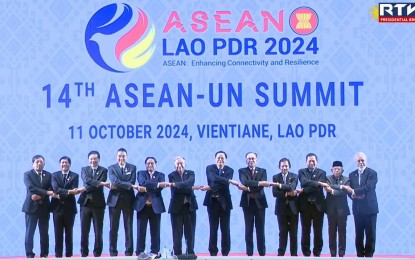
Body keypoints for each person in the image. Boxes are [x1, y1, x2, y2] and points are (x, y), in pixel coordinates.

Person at [202, 151, 238, 256]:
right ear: (215, 159)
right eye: (218, 158)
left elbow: (223, 186)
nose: (220, 160)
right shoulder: (210, 168)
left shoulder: (230, 170)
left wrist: (211, 187)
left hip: (225, 202)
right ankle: (213, 252)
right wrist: (229, 181)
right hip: (212, 202)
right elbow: (213, 178)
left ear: (225, 160)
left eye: (222, 158)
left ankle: (225, 252)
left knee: (225, 228)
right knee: (213, 228)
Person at [343, 152, 378, 257]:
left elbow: (369, 187)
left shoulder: (372, 173)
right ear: (356, 162)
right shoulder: (351, 175)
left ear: (365, 161)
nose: (361, 162)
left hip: (370, 208)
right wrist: (353, 195)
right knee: (358, 234)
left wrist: (354, 192)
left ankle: (369, 255)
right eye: (359, 160)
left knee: (370, 234)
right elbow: (348, 191)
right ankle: (359, 254)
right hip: (357, 209)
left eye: (362, 160)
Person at [133, 157, 170, 259]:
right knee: (141, 230)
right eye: (148, 163)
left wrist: (146, 188)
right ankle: (140, 251)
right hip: (142, 206)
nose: (150, 165)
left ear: (156, 164)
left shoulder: (161, 175)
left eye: (152, 163)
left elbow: (159, 188)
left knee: (155, 230)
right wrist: (157, 184)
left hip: (155, 206)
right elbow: (142, 182)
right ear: (145, 165)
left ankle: (154, 251)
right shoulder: (141, 173)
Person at [77, 151, 110, 257]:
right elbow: (86, 180)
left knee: (98, 230)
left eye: (95, 158)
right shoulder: (84, 169)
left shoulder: (104, 170)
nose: (93, 160)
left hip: (98, 204)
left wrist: (85, 188)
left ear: (99, 159)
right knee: (84, 230)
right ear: (88, 160)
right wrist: (99, 183)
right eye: (91, 158)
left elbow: (99, 186)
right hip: (85, 203)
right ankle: (84, 253)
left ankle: (97, 253)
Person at [237, 152, 269, 256]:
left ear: (256, 159)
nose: (251, 160)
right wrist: (258, 183)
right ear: (246, 160)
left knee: (260, 229)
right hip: (247, 203)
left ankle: (262, 253)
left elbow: (262, 185)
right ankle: (249, 253)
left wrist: (249, 188)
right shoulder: (242, 171)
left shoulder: (263, 171)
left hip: (260, 202)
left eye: (253, 158)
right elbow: (244, 181)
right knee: (248, 228)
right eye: (249, 159)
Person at [22, 155, 54, 258]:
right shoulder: (27, 174)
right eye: (37, 162)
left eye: (41, 162)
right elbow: (31, 187)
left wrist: (40, 195)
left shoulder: (49, 175)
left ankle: (44, 254)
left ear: (44, 163)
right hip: (31, 207)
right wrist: (46, 193)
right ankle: (29, 254)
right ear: (32, 164)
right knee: (29, 232)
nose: (39, 163)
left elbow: (51, 188)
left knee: (44, 232)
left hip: (44, 207)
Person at [107, 148, 137, 256]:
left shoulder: (132, 168)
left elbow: (132, 181)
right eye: (119, 156)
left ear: (126, 157)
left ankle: (129, 252)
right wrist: (128, 185)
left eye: (123, 156)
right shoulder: (111, 168)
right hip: (114, 201)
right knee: (113, 228)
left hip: (128, 201)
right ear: (116, 157)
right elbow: (114, 181)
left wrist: (122, 185)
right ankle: (113, 252)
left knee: (128, 227)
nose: (121, 158)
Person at [168, 156, 200, 257]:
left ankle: (190, 252)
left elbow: (189, 183)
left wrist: (177, 184)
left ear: (185, 164)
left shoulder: (191, 173)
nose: (180, 165)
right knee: (177, 232)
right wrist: (191, 188)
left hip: (189, 207)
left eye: (181, 163)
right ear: (174, 165)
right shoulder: (171, 175)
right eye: (178, 163)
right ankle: (177, 253)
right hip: (176, 207)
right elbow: (178, 190)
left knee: (190, 231)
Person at [298, 153, 328, 257]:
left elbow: (317, 187)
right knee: (305, 230)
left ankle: (317, 252)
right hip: (305, 206)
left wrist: (304, 190)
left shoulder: (322, 172)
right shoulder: (301, 171)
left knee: (318, 230)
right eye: (309, 161)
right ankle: (306, 252)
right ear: (306, 162)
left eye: (313, 161)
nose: (311, 162)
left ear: (317, 161)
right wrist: (318, 183)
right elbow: (303, 181)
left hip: (318, 206)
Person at [51, 156, 81, 258]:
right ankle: (58, 255)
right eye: (62, 163)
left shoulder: (75, 176)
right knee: (57, 233)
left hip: (70, 208)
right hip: (57, 208)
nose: (64, 164)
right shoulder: (54, 175)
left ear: (70, 164)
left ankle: (69, 255)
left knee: (69, 233)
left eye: (66, 163)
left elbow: (75, 190)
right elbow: (55, 189)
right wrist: (68, 191)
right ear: (60, 164)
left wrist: (65, 192)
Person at [272, 158, 299, 256]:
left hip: (293, 208)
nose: (284, 168)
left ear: (289, 166)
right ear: (279, 167)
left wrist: (280, 186)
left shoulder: (295, 176)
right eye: (282, 166)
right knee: (282, 232)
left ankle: (294, 254)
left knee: (293, 233)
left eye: (286, 166)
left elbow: (292, 187)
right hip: (281, 209)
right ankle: (281, 254)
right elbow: (275, 193)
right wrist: (287, 194)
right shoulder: (275, 177)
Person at [324, 161, 350, 257]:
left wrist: (334, 190)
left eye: (339, 169)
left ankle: (342, 254)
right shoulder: (327, 178)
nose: (337, 171)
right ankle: (333, 254)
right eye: (335, 169)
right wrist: (341, 187)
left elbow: (345, 192)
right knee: (331, 232)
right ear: (332, 170)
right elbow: (327, 187)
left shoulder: (347, 179)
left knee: (342, 233)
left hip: (342, 210)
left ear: (342, 170)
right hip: (331, 210)